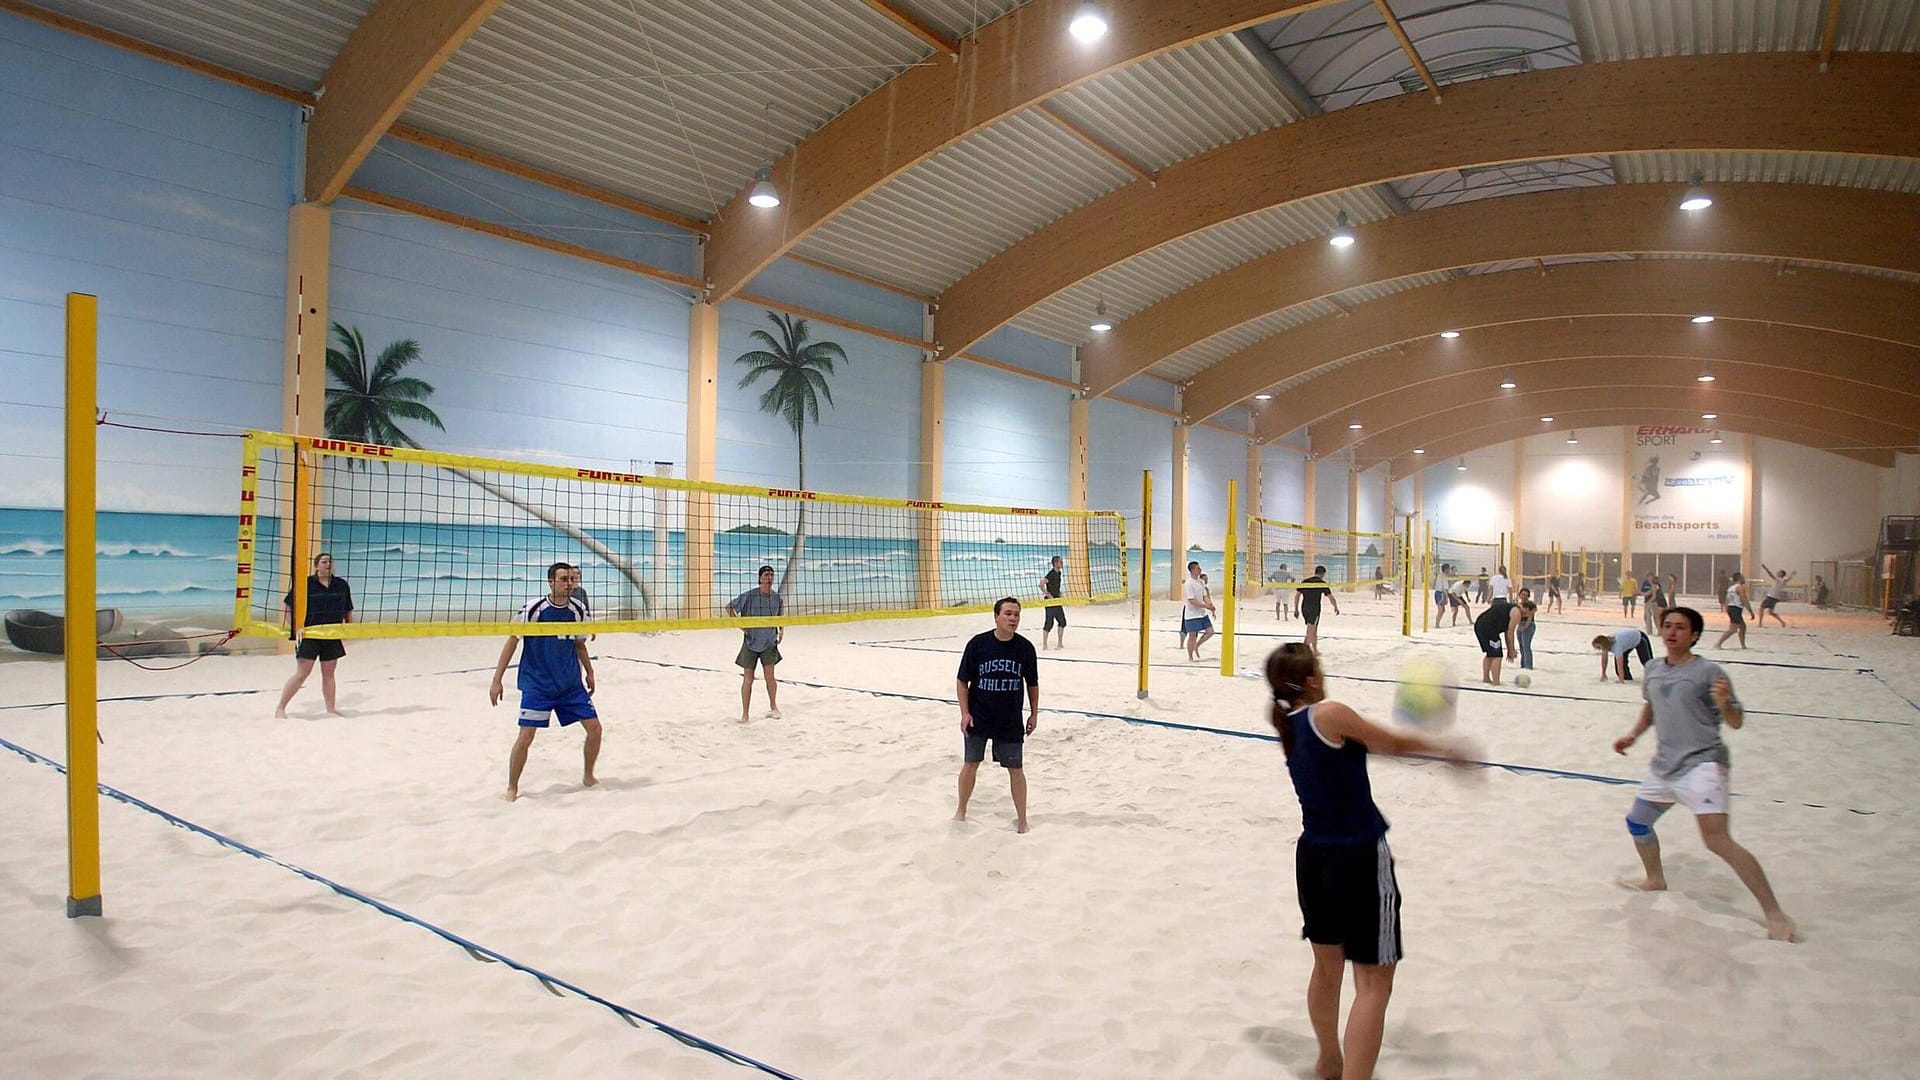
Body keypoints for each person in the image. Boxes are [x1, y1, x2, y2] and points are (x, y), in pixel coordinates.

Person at [1265, 642, 1472, 1080]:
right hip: (1356, 855)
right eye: (1318, 668)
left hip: (1313, 856)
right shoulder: (1329, 713)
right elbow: (1392, 744)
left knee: (1326, 967)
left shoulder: (1288, 723)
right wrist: (1446, 750)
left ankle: (1329, 1059)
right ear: (1310, 680)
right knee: (1374, 983)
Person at [1612, 607, 1797, 942]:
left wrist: (1726, 704)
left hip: (1703, 764)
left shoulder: (1708, 672)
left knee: (1717, 841)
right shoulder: (1653, 668)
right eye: (1667, 626)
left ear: (1694, 635)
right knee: (1638, 823)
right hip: (1664, 765)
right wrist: (1633, 735)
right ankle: (1655, 879)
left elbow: (1737, 721)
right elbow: (1651, 707)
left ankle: (1775, 913)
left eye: (1680, 628)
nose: (1671, 632)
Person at [489, 561, 600, 802]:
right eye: (563, 579)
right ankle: (512, 787)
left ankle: (588, 776)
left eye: (572, 579)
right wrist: (497, 679)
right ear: (551, 581)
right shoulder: (534, 609)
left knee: (595, 729)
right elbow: (512, 641)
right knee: (526, 737)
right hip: (538, 685)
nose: (569, 583)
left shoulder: (578, 610)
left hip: (570, 685)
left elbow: (579, 644)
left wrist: (589, 672)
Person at [954, 598, 1039, 833]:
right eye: (1008, 614)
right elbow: (962, 681)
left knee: (1016, 769)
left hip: (1010, 719)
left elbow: (1032, 683)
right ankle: (961, 809)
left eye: (1017, 615)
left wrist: (1033, 713)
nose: (1013, 619)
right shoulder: (978, 644)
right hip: (978, 716)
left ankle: (1022, 819)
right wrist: (964, 713)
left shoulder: (1025, 648)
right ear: (996, 616)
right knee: (970, 764)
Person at [275, 552, 353, 718]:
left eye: (330, 561)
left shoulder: (341, 585)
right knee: (302, 674)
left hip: (332, 634)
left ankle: (330, 709)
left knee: (329, 674)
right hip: (310, 634)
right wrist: (295, 628)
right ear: (316, 565)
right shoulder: (306, 584)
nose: (328, 564)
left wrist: (349, 629)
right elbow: (287, 606)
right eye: (324, 562)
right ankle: (281, 707)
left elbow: (348, 609)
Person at [727, 564, 784, 722]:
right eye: (766, 575)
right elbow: (729, 607)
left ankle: (774, 707)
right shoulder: (749, 596)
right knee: (748, 679)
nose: (769, 578)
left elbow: (781, 618)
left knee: (770, 677)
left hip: (769, 642)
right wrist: (741, 626)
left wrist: (781, 631)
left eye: (771, 575)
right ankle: (745, 714)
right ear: (760, 578)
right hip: (751, 642)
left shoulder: (777, 598)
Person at [1473, 595, 1520, 685]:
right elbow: (1510, 634)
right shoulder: (1516, 612)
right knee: (1497, 656)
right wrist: (1512, 651)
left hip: (1480, 625)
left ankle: (1486, 678)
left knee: (1490, 654)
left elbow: (1507, 634)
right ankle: (1496, 682)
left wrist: (1510, 650)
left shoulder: (1510, 609)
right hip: (1488, 629)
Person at [1296, 564, 1340, 653]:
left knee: (1313, 629)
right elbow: (1331, 597)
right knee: (1311, 630)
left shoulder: (1305, 581)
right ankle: (1304, 651)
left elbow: (1297, 595)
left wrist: (1296, 609)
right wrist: (1335, 607)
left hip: (1304, 607)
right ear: (1323, 574)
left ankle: (1315, 650)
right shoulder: (1321, 583)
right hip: (1314, 609)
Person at [1182, 561, 1216, 660]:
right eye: (1198, 568)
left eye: (1199, 568)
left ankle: (1197, 645)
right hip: (1192, 614)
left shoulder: (1201, 582)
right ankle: (1190, 657)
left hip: (1202, 613)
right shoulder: (1189, 583)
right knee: (1192, 636)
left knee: (1210, 632)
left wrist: (1210, 605)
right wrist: (1206, 606)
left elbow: (1205, 596)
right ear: (1192, 570)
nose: (1200, 570)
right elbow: (1192, 600)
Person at [1715, 572, 1753, 649]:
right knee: (1733, 629)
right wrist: (1750, 611)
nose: (1744, 578)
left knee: (1743, 627)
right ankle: (1718, 644)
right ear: (1739, 578)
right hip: (1736, 609)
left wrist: (1727, 608)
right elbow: (1744, 599)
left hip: (1731, 608)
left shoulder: (1731, 588)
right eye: (1743, 577)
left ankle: (1743, 645)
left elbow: (1727, 600)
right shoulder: (1740, 587)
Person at [1040, 554, 1067, 649]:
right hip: (1050, 601)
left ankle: (1060, 643)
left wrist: (1059, 593)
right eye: (1061, 562)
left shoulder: (1058, 573)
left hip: (1057, 600)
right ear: (1056, 563)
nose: (1062, 563)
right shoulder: (1051, 573)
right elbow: (1041, 583)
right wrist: (1048, 594)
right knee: (1049, 623)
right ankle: (1044, 645)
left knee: (1062, 621)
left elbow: (1055, 586)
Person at [1757, 564, 1790, 628]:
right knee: (1770, 612)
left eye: (1779, 572)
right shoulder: (1783, 580)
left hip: (1771, 597)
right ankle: (1782, 622)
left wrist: (1765, 568)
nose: (1777, 573)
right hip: (1775, 598)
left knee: (1761, 609)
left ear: (1781, 574)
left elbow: (1770, 574)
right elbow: (1788, 579)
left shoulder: (1779, 579)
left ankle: (1760, 623)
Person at [1516, 599, 1538, 671]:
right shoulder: (1519, 606)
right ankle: (1523, 664)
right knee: (1522, 646)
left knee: (1526, 646)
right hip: (1521, 625)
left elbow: (1530, 617)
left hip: (1528, 626)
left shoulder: (1530, 606)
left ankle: (1528, 665)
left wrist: (1525, 626)